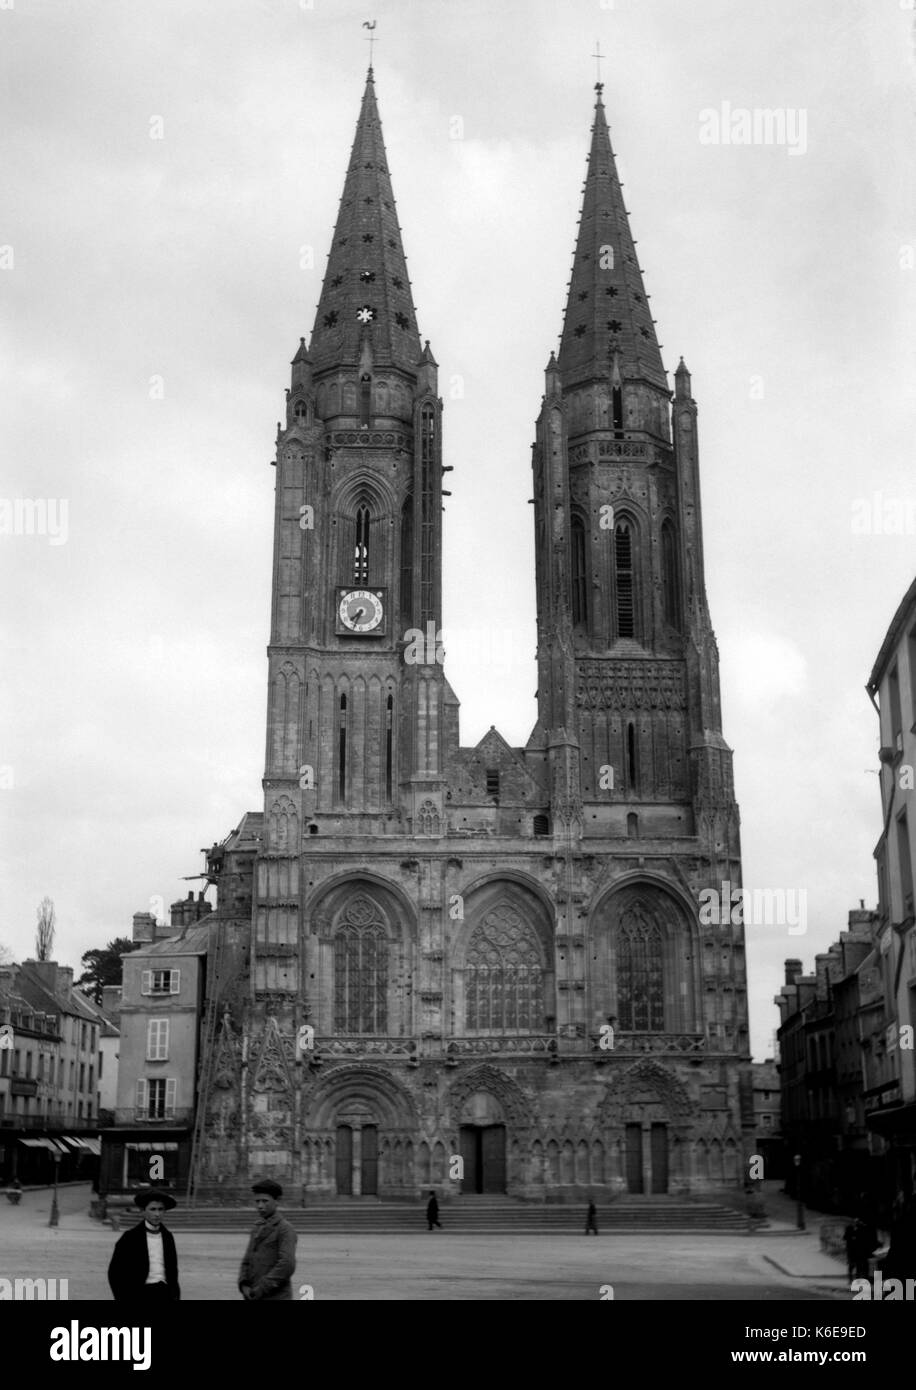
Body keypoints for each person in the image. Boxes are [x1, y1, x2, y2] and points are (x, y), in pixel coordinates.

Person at [107, 1187, 181, 1302]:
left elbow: (173, 1271)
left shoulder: (168, 1237)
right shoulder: (130, 1237)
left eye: (161, 1209)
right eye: (153, 1209)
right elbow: (115, 1273)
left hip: (165, 1293)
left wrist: (175, 1294)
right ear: (143, 1211)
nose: (157, 1214)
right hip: (140, 1293)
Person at [238, 1179, 297, 1301]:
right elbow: (247, 1260)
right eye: (257, 1201)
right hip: (253, 1294)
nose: (260, 1206)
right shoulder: (257, 1227)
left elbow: (287, 1265)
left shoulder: (285, 1229)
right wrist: (244, 1284)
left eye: (265, 1201)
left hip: (275, 1296)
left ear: (277, 1202)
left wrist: (261, 1288)